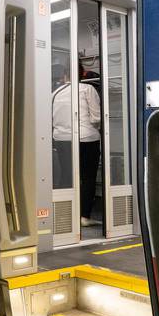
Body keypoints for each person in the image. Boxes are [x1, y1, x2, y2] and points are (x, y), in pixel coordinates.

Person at [52, 63, 101, 227]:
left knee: (67, 175)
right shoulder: (88, 89)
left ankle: (63, 215)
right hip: (87, 138)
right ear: (82, 74)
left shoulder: (55, 93)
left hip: (61, 139)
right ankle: (84, 216)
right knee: (87, 178)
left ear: (64, 75)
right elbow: (96, 117)